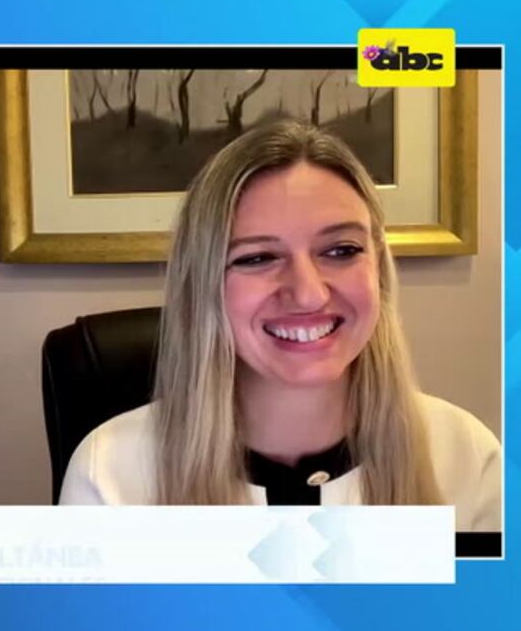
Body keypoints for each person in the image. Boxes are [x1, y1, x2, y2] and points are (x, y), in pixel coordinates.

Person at [59, 119, 501, 532]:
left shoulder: (466, 458)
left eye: (342, 250)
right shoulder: (109, 472)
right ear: (203, 283)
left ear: (379, 269)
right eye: (257, 257)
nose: (308, 294)